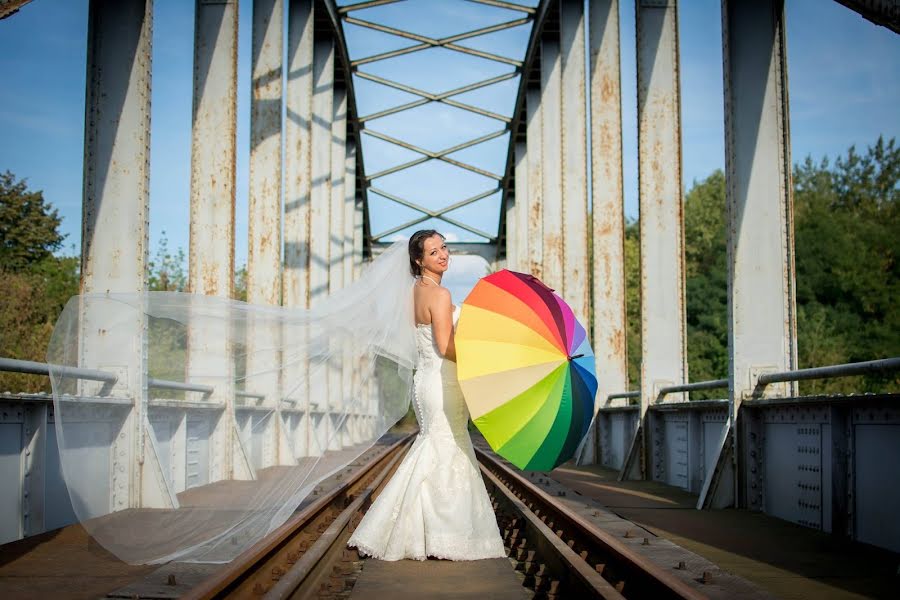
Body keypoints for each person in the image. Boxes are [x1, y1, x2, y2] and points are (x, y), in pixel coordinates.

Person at [347, 230, 507, 561]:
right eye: (434, 252)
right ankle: (444, 535)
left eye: (444, 247)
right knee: (449, 451)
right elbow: (447, 347)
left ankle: (418, 531)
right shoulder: (441, 294)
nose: (443, 255)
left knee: (435, 448)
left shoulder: (412, 294)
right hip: (444, 382)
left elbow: (429, 343)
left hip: (426, 381)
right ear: (419, 261)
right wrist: (485, 360)